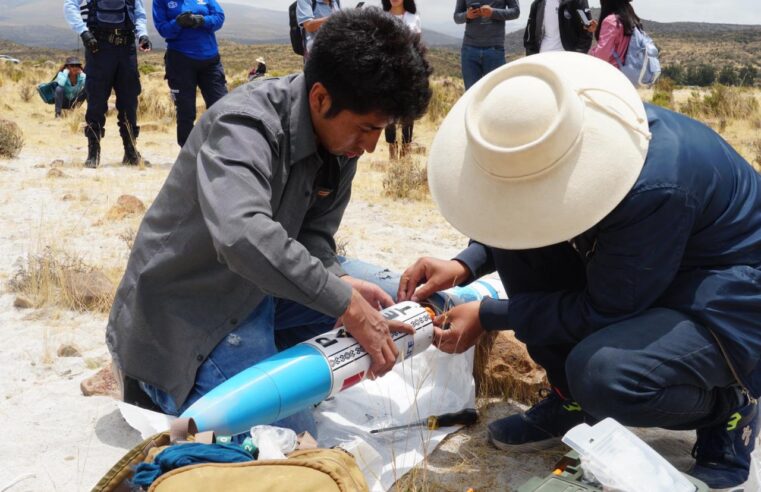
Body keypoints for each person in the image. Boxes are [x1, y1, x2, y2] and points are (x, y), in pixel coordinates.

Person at [399, 52, 761, 489]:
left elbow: (605, 308)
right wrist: (465, 264)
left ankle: (729, 404)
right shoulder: (564, 138)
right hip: (651, 265)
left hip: (728, 295)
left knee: (604, 374)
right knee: (520, 248)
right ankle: (568, 400)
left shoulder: (653, 186)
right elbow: (524, 213)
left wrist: (489, 314)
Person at [107, 7, 432, 437]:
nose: (371, 147)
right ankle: (156, 383)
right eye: (367, 128)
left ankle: (275, 348)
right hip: (193, 308)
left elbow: (314, 236)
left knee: (403, 305)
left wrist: (335, 279)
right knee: (291, 436)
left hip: (263, 289)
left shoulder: (340, 141)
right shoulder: (244, 124)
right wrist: (343, 302)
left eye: (381, 130)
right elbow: (241, 235)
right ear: (320, 98)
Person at [64, 0, 152, 168]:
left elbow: (139, 12)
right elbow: (70, 5)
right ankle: (93, 153)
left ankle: (131, 152)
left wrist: (142, 34)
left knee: (129, 101)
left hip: (127, 48)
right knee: (96, 100)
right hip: (99, 46)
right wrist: (83, 32)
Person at [153, 0, 228, 148]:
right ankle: (188, 157)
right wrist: (178, 23)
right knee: (186, 112)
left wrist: (201, 20)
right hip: (181, 60)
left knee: (221, 107)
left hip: (210, 60)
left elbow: (219, 17)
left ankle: (223, 151)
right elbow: (162, 29)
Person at [382, 0, 421, 160]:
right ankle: (392, 150)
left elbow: (418, 46)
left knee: (408, 112)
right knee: (388, 113)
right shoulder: (383, 16)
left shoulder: (414, 18)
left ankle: (406, 150)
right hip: (388, 70)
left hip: (408, 70)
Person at [454, 0, 519, 90]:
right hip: (469, 50)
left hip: (494, 50)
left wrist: (493, 12)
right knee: (471, 95)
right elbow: (456, 17)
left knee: (496, 94)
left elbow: (516, 12)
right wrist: (467, 15)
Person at [523, 0, 593, 56]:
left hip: (568, 59)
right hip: (543, 58)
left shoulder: (578, 1)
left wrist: (577, 55)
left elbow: (587, 30)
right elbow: (529, 36)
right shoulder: (537, 4)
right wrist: (532, 56)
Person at [587, 0, 641, 68]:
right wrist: (600, 30)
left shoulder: (611, 21)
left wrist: (587, 54)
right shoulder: (631, 18)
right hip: (628, 73)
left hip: (612, 73)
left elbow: (601, 56)